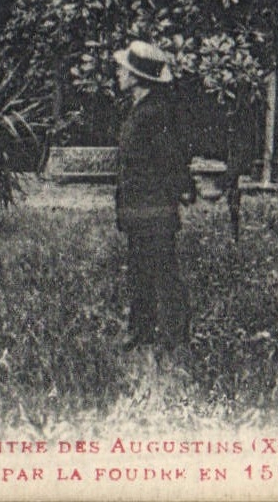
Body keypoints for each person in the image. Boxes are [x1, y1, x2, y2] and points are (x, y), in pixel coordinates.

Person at [113, 39, 194, 354]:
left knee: (162, 272)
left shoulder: (155, 114)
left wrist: (178, 192)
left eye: (124, 69)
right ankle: (142, 331)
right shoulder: (139, 110)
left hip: (154, 208)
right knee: (139, 272)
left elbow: (171, 159)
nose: (118, 73)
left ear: (136, 77)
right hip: (139, 208)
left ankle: (175, 336)